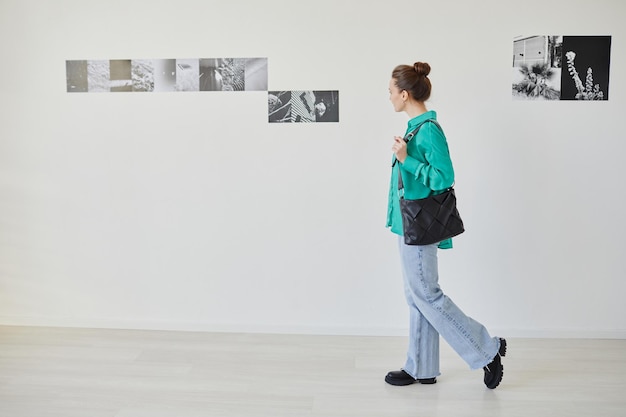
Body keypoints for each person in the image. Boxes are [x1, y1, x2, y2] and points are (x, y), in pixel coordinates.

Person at [385, 61, 506, 389]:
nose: (389, 98)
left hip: (420, 224)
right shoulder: (414, 128)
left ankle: (486, 349)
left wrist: (406, 159)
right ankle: (421, 367)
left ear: (405, 94)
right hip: (407, 224)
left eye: (391, 92)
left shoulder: (429, 130)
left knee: (428, 294)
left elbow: (443, 177)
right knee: (417, 297)